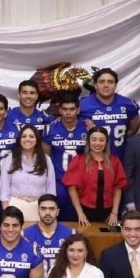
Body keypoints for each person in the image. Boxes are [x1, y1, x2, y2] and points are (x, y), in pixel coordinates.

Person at [62, 126, 126, 227]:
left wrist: (114, 212)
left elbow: (117, 188)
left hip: (108, 213)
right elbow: (72, 189)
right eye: (94, 140)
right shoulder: (78, 161)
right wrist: (80, 213)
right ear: (88, 141)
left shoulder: (114, 161)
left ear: (106, 142)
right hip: (84, 211)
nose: (97, 143)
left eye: (101, 140)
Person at [43, 93, 88, 221]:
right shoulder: (50, 129)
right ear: (60, 110)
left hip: (80, 183)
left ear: (78, 110)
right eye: (65, 109)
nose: (68, 113)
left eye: (72, 109)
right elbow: (46, 157)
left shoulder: (87, 128)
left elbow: (89, 156)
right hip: (58, 182)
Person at [78, 68, 140, 159]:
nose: (106, 85)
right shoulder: (82, 105)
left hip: (120, 159)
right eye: (101, 82)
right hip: (91, 160)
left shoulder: (128, 104)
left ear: (116, 85)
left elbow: (133, 129)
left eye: (110, 82)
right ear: (95, 85)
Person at [0, 125, 56, 222]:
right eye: (24, 136)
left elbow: (51, 188)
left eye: (31, 136)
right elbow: (4, 188)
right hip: (16, 205)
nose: (27, 139)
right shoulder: (10, 158)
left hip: (40, 207)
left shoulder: (46, 159)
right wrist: (7, 211)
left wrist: (49, 210)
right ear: (19, 139)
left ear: (37, 140)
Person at [23, 194, 74, 273]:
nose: (47, 213)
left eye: (52, 209)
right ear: (38, 211)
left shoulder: (72, 234)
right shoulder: (25, 235)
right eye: (43, 209)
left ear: (57, 212)